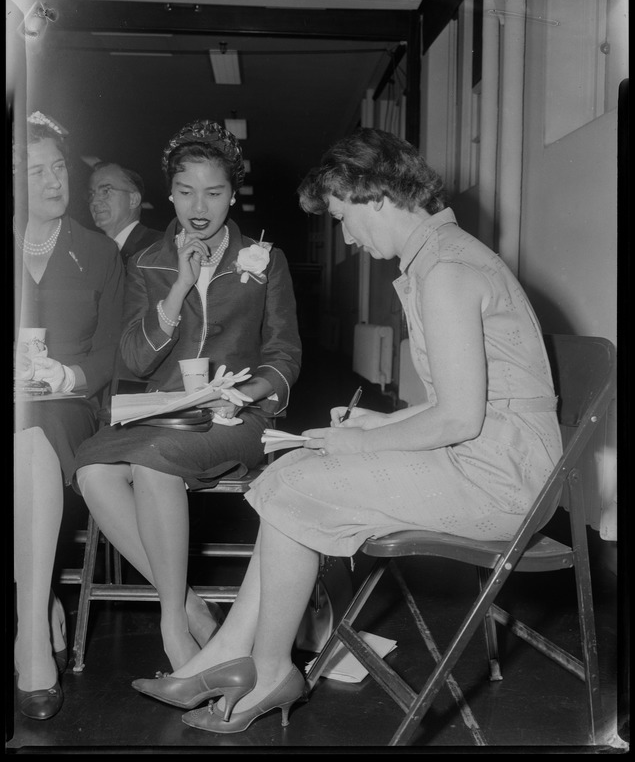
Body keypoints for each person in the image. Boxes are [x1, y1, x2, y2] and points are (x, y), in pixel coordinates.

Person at [128, 127, 564, 735]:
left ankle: (266, 663)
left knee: (297, 485)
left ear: (376, 197)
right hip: (499, 456)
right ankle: (235, 654)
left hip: (505, 481)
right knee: (294, 470)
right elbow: (475, 404)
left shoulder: (446, 270)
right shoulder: (441, 256)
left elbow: (462, 419)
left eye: (342, 218)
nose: (347, 237)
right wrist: (384, 423)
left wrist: (363, 442)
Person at [74, 119, 302, 675]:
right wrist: (177, 288)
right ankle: (191, 606)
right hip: (163, 415)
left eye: (215, 192)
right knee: (93, 474)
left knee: (153, 469)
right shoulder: (146, 264)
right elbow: (133, 361)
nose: (199, 206)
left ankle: (173, 627)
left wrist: (243, 395)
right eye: (186, 191)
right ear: (169, 194)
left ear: (232, 194)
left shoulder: (265, 261)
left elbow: (284, 357)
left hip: (236, 415)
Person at [13, 111, 125, 720]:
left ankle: (31, 643)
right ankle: (44, 595)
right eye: (37, 172)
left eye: (59, 168)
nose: (54, 182)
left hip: (68, 406)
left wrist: (68, 376)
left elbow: (109, 352)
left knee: (32, 440)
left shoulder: (98, 251)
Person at [87, 161, 163, 267]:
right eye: (92, 194)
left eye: (106, 191)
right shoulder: (91, 253)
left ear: (133, 200)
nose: (94, 201)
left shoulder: (157, 247)